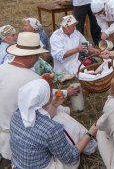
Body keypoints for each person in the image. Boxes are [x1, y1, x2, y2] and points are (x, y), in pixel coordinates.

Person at [0, 32, 82, 165]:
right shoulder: (31, 78)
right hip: (24, 139)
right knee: (62, 115)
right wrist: (66, 92)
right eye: (37, 55)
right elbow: (47, 98)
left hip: (8, 135)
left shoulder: (1, 68)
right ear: (32, 56)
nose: (38, 58)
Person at [10, 79, 98, 169]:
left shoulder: (17, 113)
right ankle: (91, 146)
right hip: (44, 166)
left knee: (59, 116)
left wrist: (54, 106)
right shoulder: (52, 129)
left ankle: (90, 145)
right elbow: (70, 157)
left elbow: (41, 119)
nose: (52, 93)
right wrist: (90, 133)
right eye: (49, 92)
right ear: (45, 98)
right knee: (66, 122)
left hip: (18, 165)